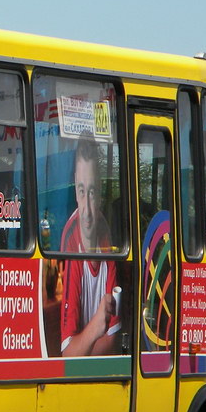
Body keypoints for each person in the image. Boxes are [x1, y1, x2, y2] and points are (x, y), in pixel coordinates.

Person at [60, 137, 120, 356]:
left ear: (101, 193)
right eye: (82, 191)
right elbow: (68, 355)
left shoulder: (107, 240)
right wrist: (96, 327)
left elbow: (112, 339)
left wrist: (84, 344)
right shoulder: (70, 242)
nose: (86, 210)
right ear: (75, 190)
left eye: (92, 192)